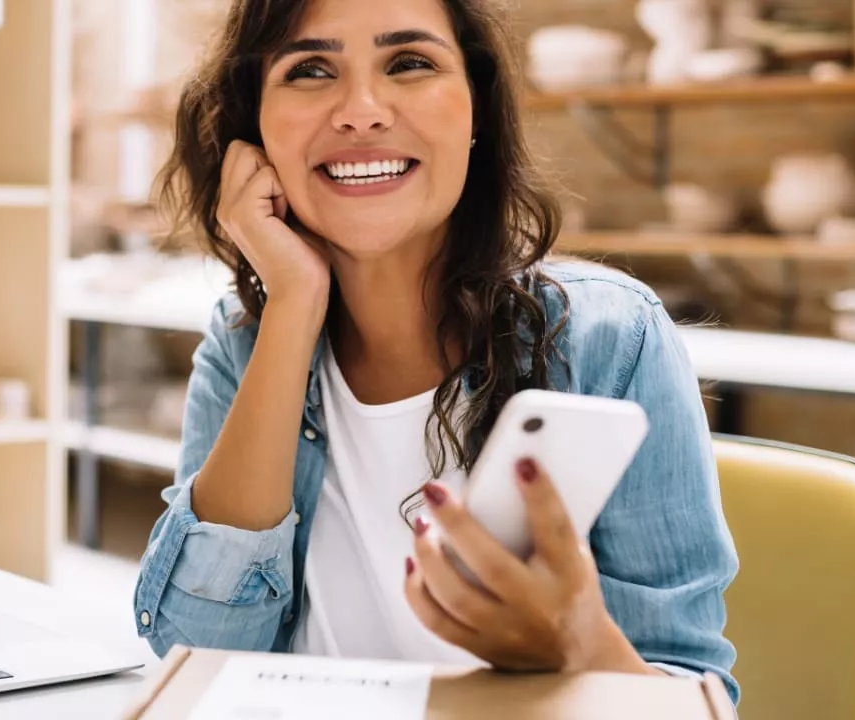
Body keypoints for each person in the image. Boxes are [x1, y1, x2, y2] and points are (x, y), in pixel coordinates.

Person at [131, 0, 739, 700]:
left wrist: (579, 640)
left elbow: (689, 699)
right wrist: (293, 302)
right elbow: (195, 653)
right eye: (310, 70)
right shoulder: (243, 345)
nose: (362, 110)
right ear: (255, 131)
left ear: (476, 110)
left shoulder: (612, 340)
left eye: (410, 63)